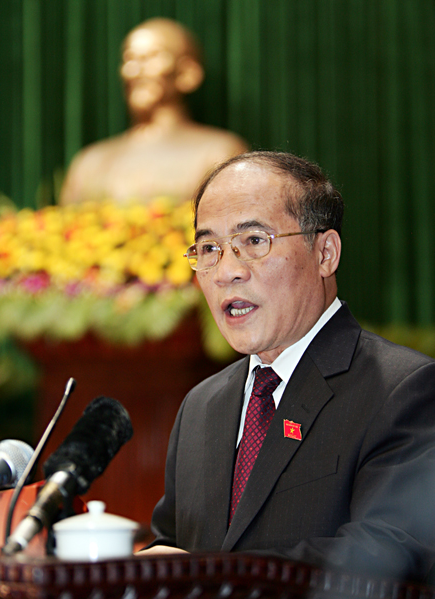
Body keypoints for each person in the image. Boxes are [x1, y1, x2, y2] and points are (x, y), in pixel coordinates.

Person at [141, 151, 435, 582]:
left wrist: (209, 576)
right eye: (209, 248)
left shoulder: (403, 389)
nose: (226, 272)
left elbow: (389, 553)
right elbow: (172, 545)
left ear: (325, 253)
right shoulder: (201, 406)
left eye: (254, 241)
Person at [59, 18, 247, 206]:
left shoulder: (219, 152)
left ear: (187, 73)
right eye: (129, 59)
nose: (134, 71)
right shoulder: (89, 162)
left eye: (152, 57)